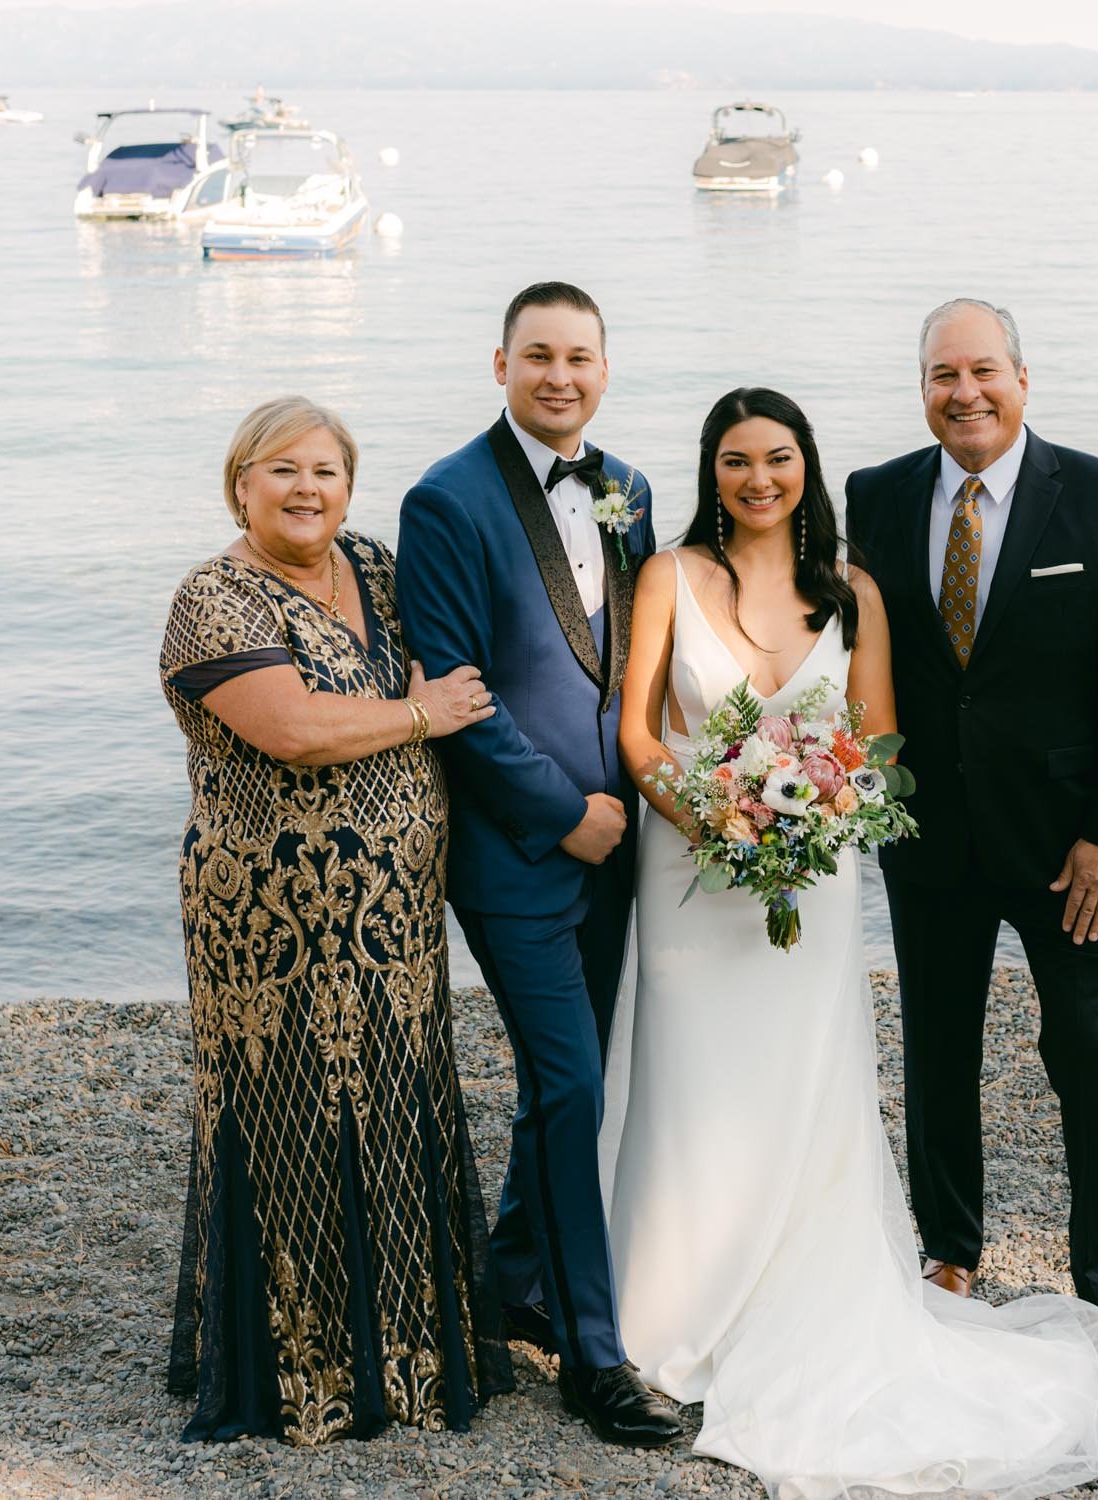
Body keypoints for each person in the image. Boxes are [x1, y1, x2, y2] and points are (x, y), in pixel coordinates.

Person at [603, 385, 1098, 1495]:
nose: (758, 479)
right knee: (694, 1079)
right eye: (733, 461)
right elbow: (636, 732)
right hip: (689, 874)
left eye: (777, 458)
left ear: (807, 468)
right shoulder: (667, 577)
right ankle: (674, 1299)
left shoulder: (853, 592)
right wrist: (717, 813)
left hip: (809, 885)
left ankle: (1046, 1280)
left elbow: (877, 737)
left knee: (813, 1085)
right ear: (709, 471)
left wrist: (808, 813)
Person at [158, 395, 512, 1444]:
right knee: (293, 1119)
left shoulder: (378, 565)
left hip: (395, 915)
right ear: (240, 485)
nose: (307, 490)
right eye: (282, 471)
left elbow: (453, 655)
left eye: (325, 470)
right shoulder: (213, 601)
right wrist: (417, 715)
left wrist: (426, 705)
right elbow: (296, 731)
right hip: (269, 922)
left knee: (399, 1105)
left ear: (349, 485)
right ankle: (300, 1371)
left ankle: (409, 1357)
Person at [844, 298, 1098, 1353]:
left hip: (1069, 845)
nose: (965, 393)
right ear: (923, 389)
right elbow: (858, 655)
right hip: (929, 836)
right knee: (939, 1049)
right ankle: (951, 1249)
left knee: (1088, 1052)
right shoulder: (877, 496)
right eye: (943, 375)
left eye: (983, 371)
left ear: (1024, 380)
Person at [394, 283, 680, 1448]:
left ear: (605, 368)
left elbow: (635, 663)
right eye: (539, 357)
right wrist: (565, 815)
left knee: (586, 1075)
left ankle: (514, 1271)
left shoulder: (631, 488)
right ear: (500, 363)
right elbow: (459, 698)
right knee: (568, 1085)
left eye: (580, 358)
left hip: (623, 842)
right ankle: (593, 1354)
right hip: (517, 852)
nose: (560, 376)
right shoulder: (446, 500)